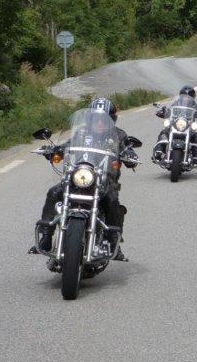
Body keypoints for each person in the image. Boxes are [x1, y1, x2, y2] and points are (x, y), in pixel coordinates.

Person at [35, 98, 138, 260]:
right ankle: (46, 236)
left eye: (104, 119)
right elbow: (68, 145)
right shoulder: (82, 132)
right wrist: (55, 150)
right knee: (54, 192)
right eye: (96, 119)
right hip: (79, 177)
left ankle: (113, 243)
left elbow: (126, 149)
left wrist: (130, 155)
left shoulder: (119, 135)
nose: (99, 123)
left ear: (111, 120)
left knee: (112, 200)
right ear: (90, 119)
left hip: (104, 182)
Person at [153, 86, 197, 164]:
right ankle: (158, 152)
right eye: (184, 96)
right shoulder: (175, 103)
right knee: (164, 133)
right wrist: (162, 111)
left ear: (192, 97)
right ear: (180, 96)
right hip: (175, 125)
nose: (186, 98)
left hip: (188, 127)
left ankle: (196, 157)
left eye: (188, 97)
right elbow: (168, 110)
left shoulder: (195, 106)